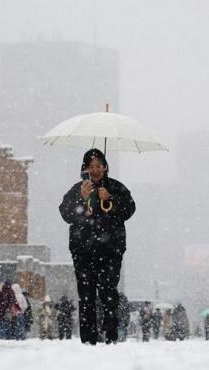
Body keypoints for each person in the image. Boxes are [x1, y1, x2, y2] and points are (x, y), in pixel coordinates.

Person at [59, 148, 136, 345]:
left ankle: (110, 336)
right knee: (86, 296)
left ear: (105, 167)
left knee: (109, 293)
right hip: (83, 251)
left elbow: (129, 210)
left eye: (99, 166)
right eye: (91, 166)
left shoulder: (115, 187)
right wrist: (81, 199)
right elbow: (66, 214)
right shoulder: (78, 189)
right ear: (84, 168)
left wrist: (109, 199)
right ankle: (88, 339)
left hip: (111, 251)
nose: (95, 170)